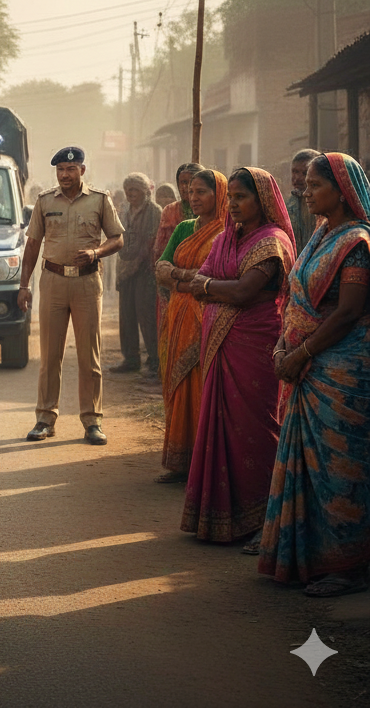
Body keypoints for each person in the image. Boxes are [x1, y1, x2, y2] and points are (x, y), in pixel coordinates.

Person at [260, 153, 370, 596]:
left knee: (339, 470)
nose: (305, 192)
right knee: (308, 464)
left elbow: (347, 313)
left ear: (341, 192)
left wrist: (300, 351)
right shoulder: (323, 235)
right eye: (304, 184)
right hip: (307, 363)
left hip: (341, 370)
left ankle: (348, 566)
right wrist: (286, 345)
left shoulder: (356, 242)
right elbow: (300, 298)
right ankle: (308, 556)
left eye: (314, 185)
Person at [182, 167, 295, 549]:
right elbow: (203, 279)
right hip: (222, 343)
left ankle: (266, 519)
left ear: (261, 200)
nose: (233, 204)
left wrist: (211, 287)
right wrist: (214, 288)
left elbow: (246, 291)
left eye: (241, 197)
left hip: (255, 344)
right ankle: (224, 519)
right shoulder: (225, 239)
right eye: (230, 197)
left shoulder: (272, 241)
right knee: (222, 425)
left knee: (257, 426)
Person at [19, 147, 124, 445]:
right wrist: (24, 286)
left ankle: (92, 421)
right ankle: (45, 418)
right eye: (60, 170)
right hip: (52, 281)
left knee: (89, 355)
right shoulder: (44, 201)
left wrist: (96, 251)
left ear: (82, 170)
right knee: (50, 356)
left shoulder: (100, 200)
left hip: (87, 284)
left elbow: (117, 238)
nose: (64, 175)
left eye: (70, 169)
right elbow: (32, 246)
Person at [152, 169, 227, 482]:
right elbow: (160, 268)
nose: (193, 198)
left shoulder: (228, 231)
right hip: (180, 315)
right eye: (191, 192)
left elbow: (221, 277)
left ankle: (204, 463)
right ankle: (180, 460)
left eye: (201, 192)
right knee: (179, 385)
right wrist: (189, 278)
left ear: (218, 194)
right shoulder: (183, 228)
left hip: (212, 317)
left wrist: (181, 277)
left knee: (207, 386)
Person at [113, 172, 162, 376]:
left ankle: (154, 360)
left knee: (146, 315)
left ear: (144, 191)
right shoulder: (124, 209)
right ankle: (131, 359)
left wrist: (137, 263)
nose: (131, 193)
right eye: (128, 190)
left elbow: (152, 240)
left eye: (135, 189)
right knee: (126, 315)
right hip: (125, 268)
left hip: (145, 270)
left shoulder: (154, 211)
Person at [153, 163, 200, 337]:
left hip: (203, 282)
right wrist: (166, 273)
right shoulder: (170, 211)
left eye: (190, 182)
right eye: (181, 182)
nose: (185, 187)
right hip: (172, 279)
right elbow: (160, 248)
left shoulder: (214, 212)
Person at [285, 148, 320, 256]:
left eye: (304, 173)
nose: (298, 178)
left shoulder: (323, 204)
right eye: (295, 172)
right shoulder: (289, 204)